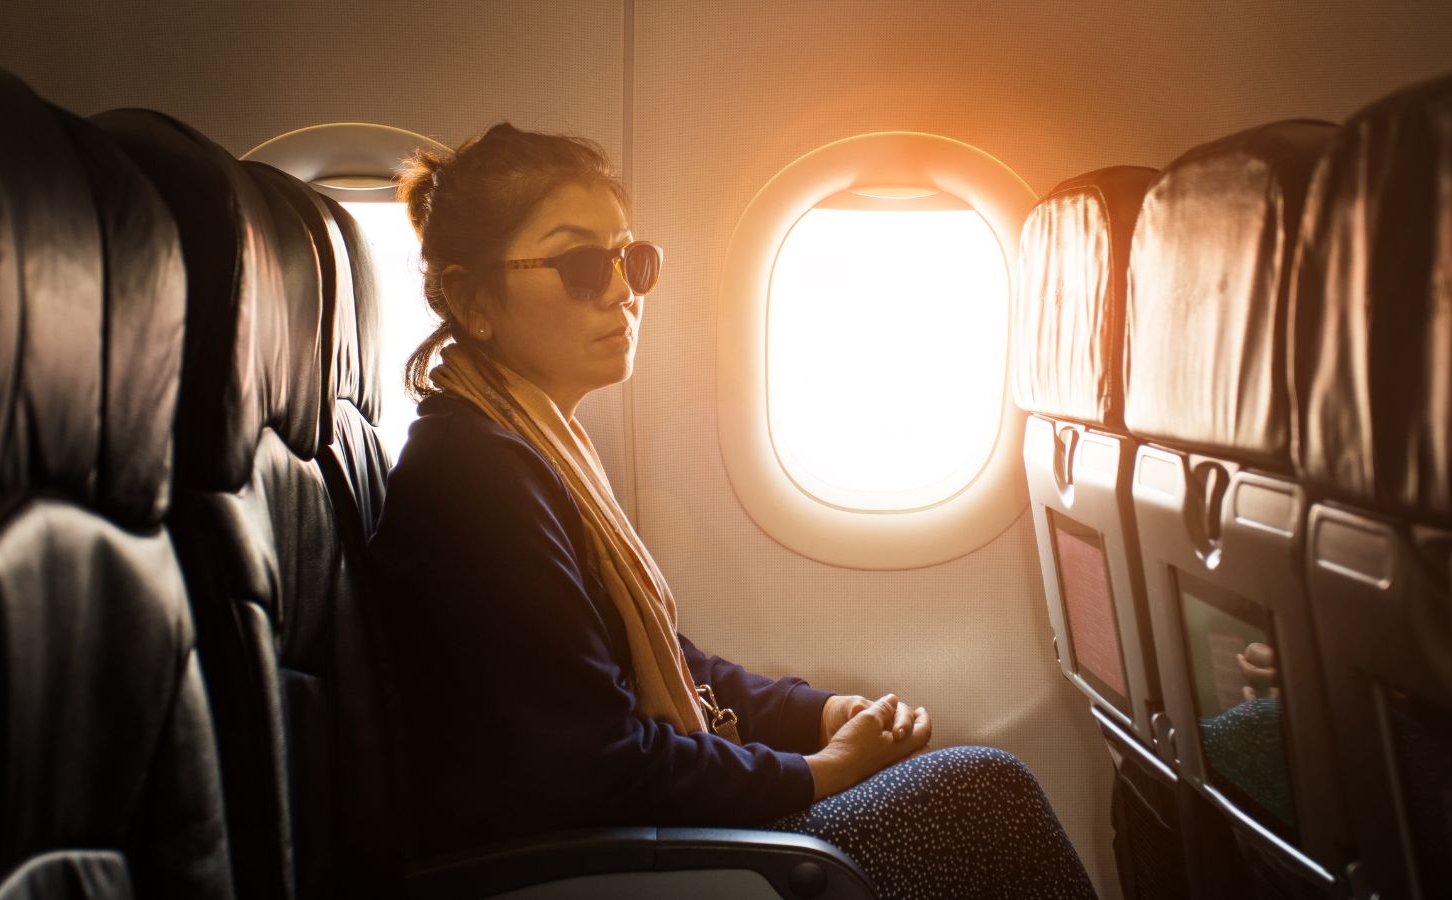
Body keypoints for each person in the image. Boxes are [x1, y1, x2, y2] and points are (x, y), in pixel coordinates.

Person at [367, 121, 1097, 900]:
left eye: (631, 259)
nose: (622, 290)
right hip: (577, 861)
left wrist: (816, 715)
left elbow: (669, 667)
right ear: (473, 299)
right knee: (980, 796)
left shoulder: (531, 446)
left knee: (969, 789)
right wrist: (821, 771)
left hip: (615, 832)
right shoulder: (474, 478)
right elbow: (596, 764)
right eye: (582, 265)